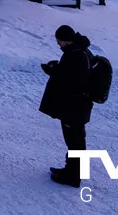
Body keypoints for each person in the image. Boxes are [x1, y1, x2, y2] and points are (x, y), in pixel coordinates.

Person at [40, 24, 94, 188]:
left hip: (75, 106)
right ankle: (71, 171)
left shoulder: (76, 55)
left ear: (66, 40)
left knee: (74, 141)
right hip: (79, 105)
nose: (58, 44)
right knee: (76, 140)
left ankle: (73, 176)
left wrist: (53, 71)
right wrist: (57, 68)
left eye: (59, 40)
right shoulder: (79, 50)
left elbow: (72, 82)